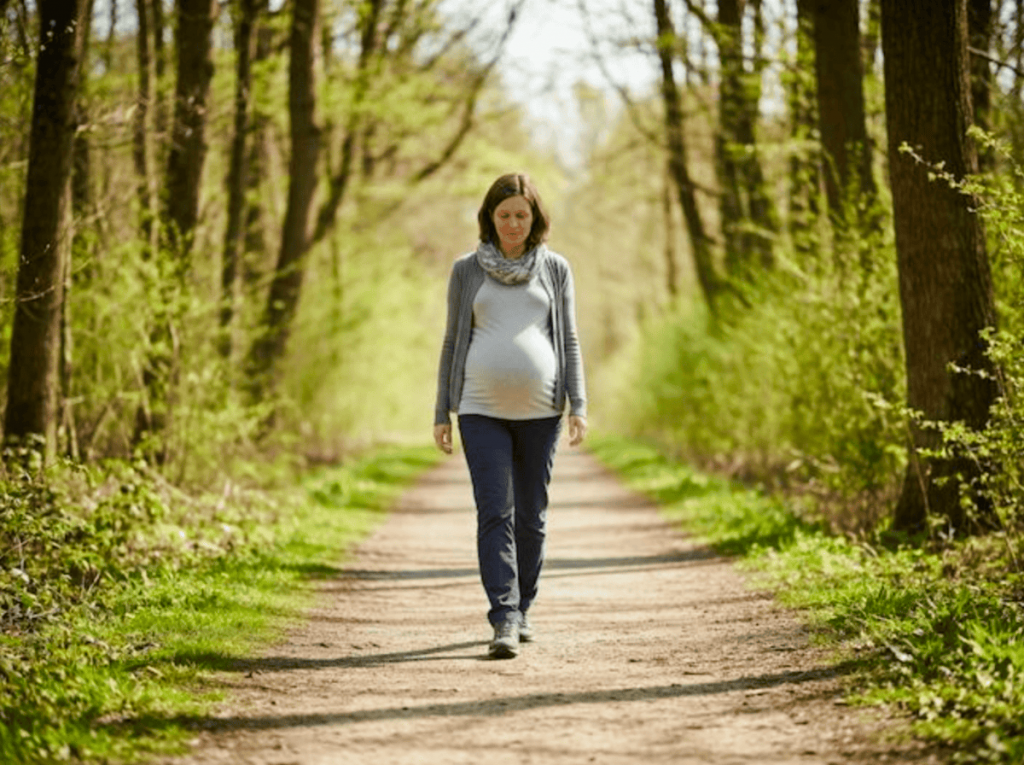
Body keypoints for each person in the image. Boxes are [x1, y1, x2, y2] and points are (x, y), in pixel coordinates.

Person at [433, 172, 587, 659]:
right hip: (480, 409)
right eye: (505, 215)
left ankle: (523, 606)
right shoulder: (466, 270)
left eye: (522, 214)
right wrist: (442, 410)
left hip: (541, 411)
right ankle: (502, 617)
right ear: (490, 218)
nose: (514, 223)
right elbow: (453, 341)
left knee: (532, 517)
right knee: (494, 511)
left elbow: (570, 339)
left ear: (535, 217)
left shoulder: (555, 268)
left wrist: (578, 403)